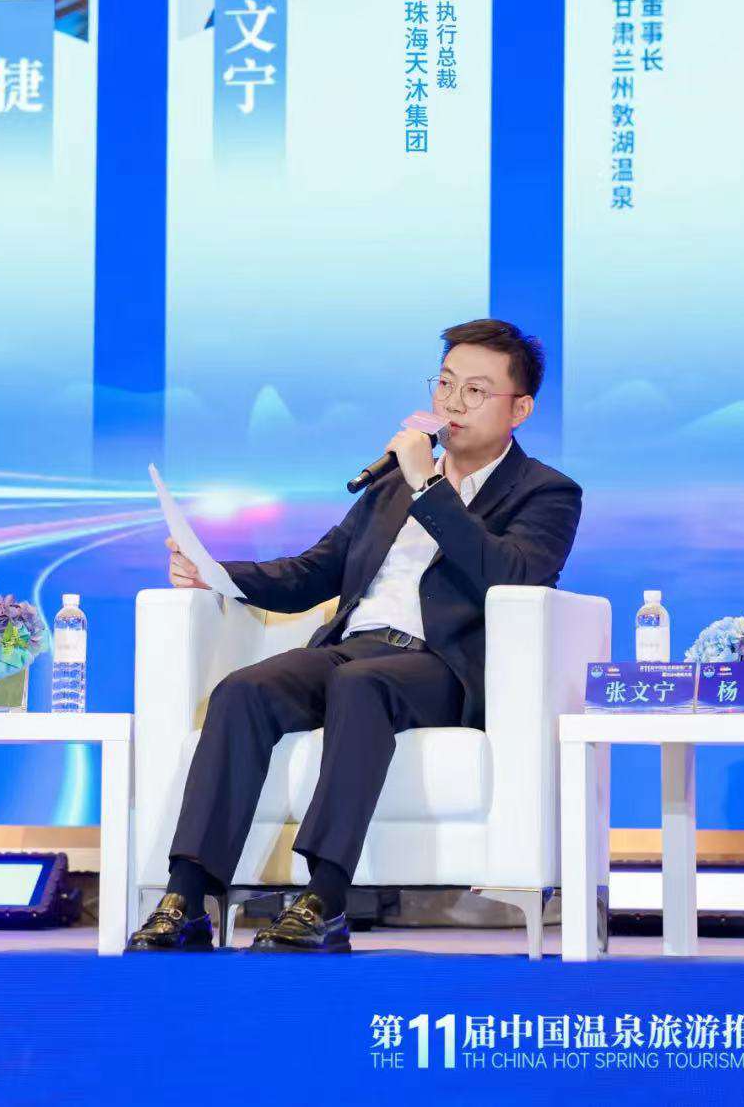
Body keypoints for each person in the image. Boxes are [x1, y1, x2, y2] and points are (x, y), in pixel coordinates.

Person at [128, 318, 582, 954]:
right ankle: (187, 897)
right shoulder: (391, 486)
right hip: (356, 648)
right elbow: (316, 571)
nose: (453, 402)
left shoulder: (546, 492)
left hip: (443, 666)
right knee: (242, 691)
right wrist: (216, 574)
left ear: (520, 409)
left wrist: (429, 487)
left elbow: (510, 575)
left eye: (476, 391)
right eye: (445, 383)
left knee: (361, 685)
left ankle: (326, 900)